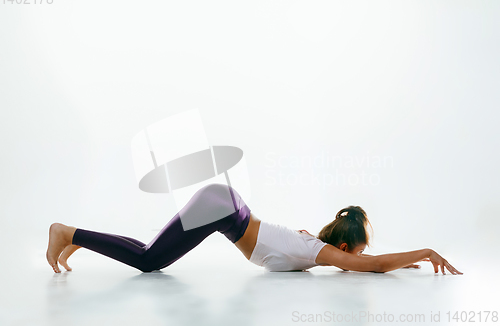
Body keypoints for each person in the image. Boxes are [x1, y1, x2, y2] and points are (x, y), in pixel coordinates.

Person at [46, 183, 462, 275]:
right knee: (150, 260)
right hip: (223, 210)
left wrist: (400, 264)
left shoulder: (314, 246)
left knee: (151, 251)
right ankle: (67, 232)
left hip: (224, 205)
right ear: (344, 246)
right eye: (354, 252)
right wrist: (423, 252)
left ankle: (76, 238)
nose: (352, 260)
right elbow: (369, 265)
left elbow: (371, 262)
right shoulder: (318, 252)